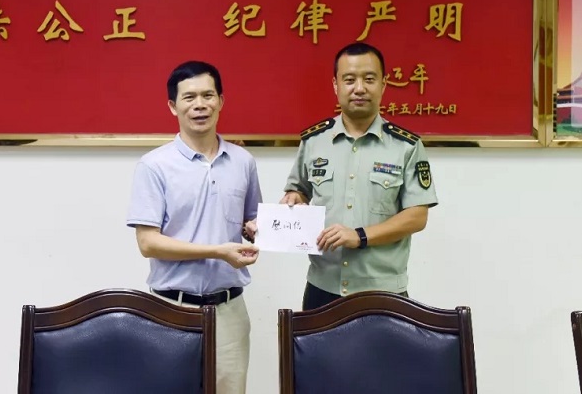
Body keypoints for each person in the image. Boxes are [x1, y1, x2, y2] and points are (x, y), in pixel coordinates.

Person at [127, 60, 261, 394]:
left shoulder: (243, 161)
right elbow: (148, 243)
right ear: (173, 106)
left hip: (230, 311)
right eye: (189, 97)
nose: (199, 105)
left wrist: (264, 227)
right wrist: (217, 251)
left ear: (221, 101)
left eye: (207, 95)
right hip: (171, 308)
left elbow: (250, 223)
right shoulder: (154, 165)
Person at [281, 42, 438, 310]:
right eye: (349, 79)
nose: (359, 88)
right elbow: (299, 191)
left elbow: (417, 216)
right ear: (336, 85)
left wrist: (360, 236)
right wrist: (294, 198)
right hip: (322, 287)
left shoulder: (406, 146)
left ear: (384, 85)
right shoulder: (314, 141)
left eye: (369, 79)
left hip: (383, 290)